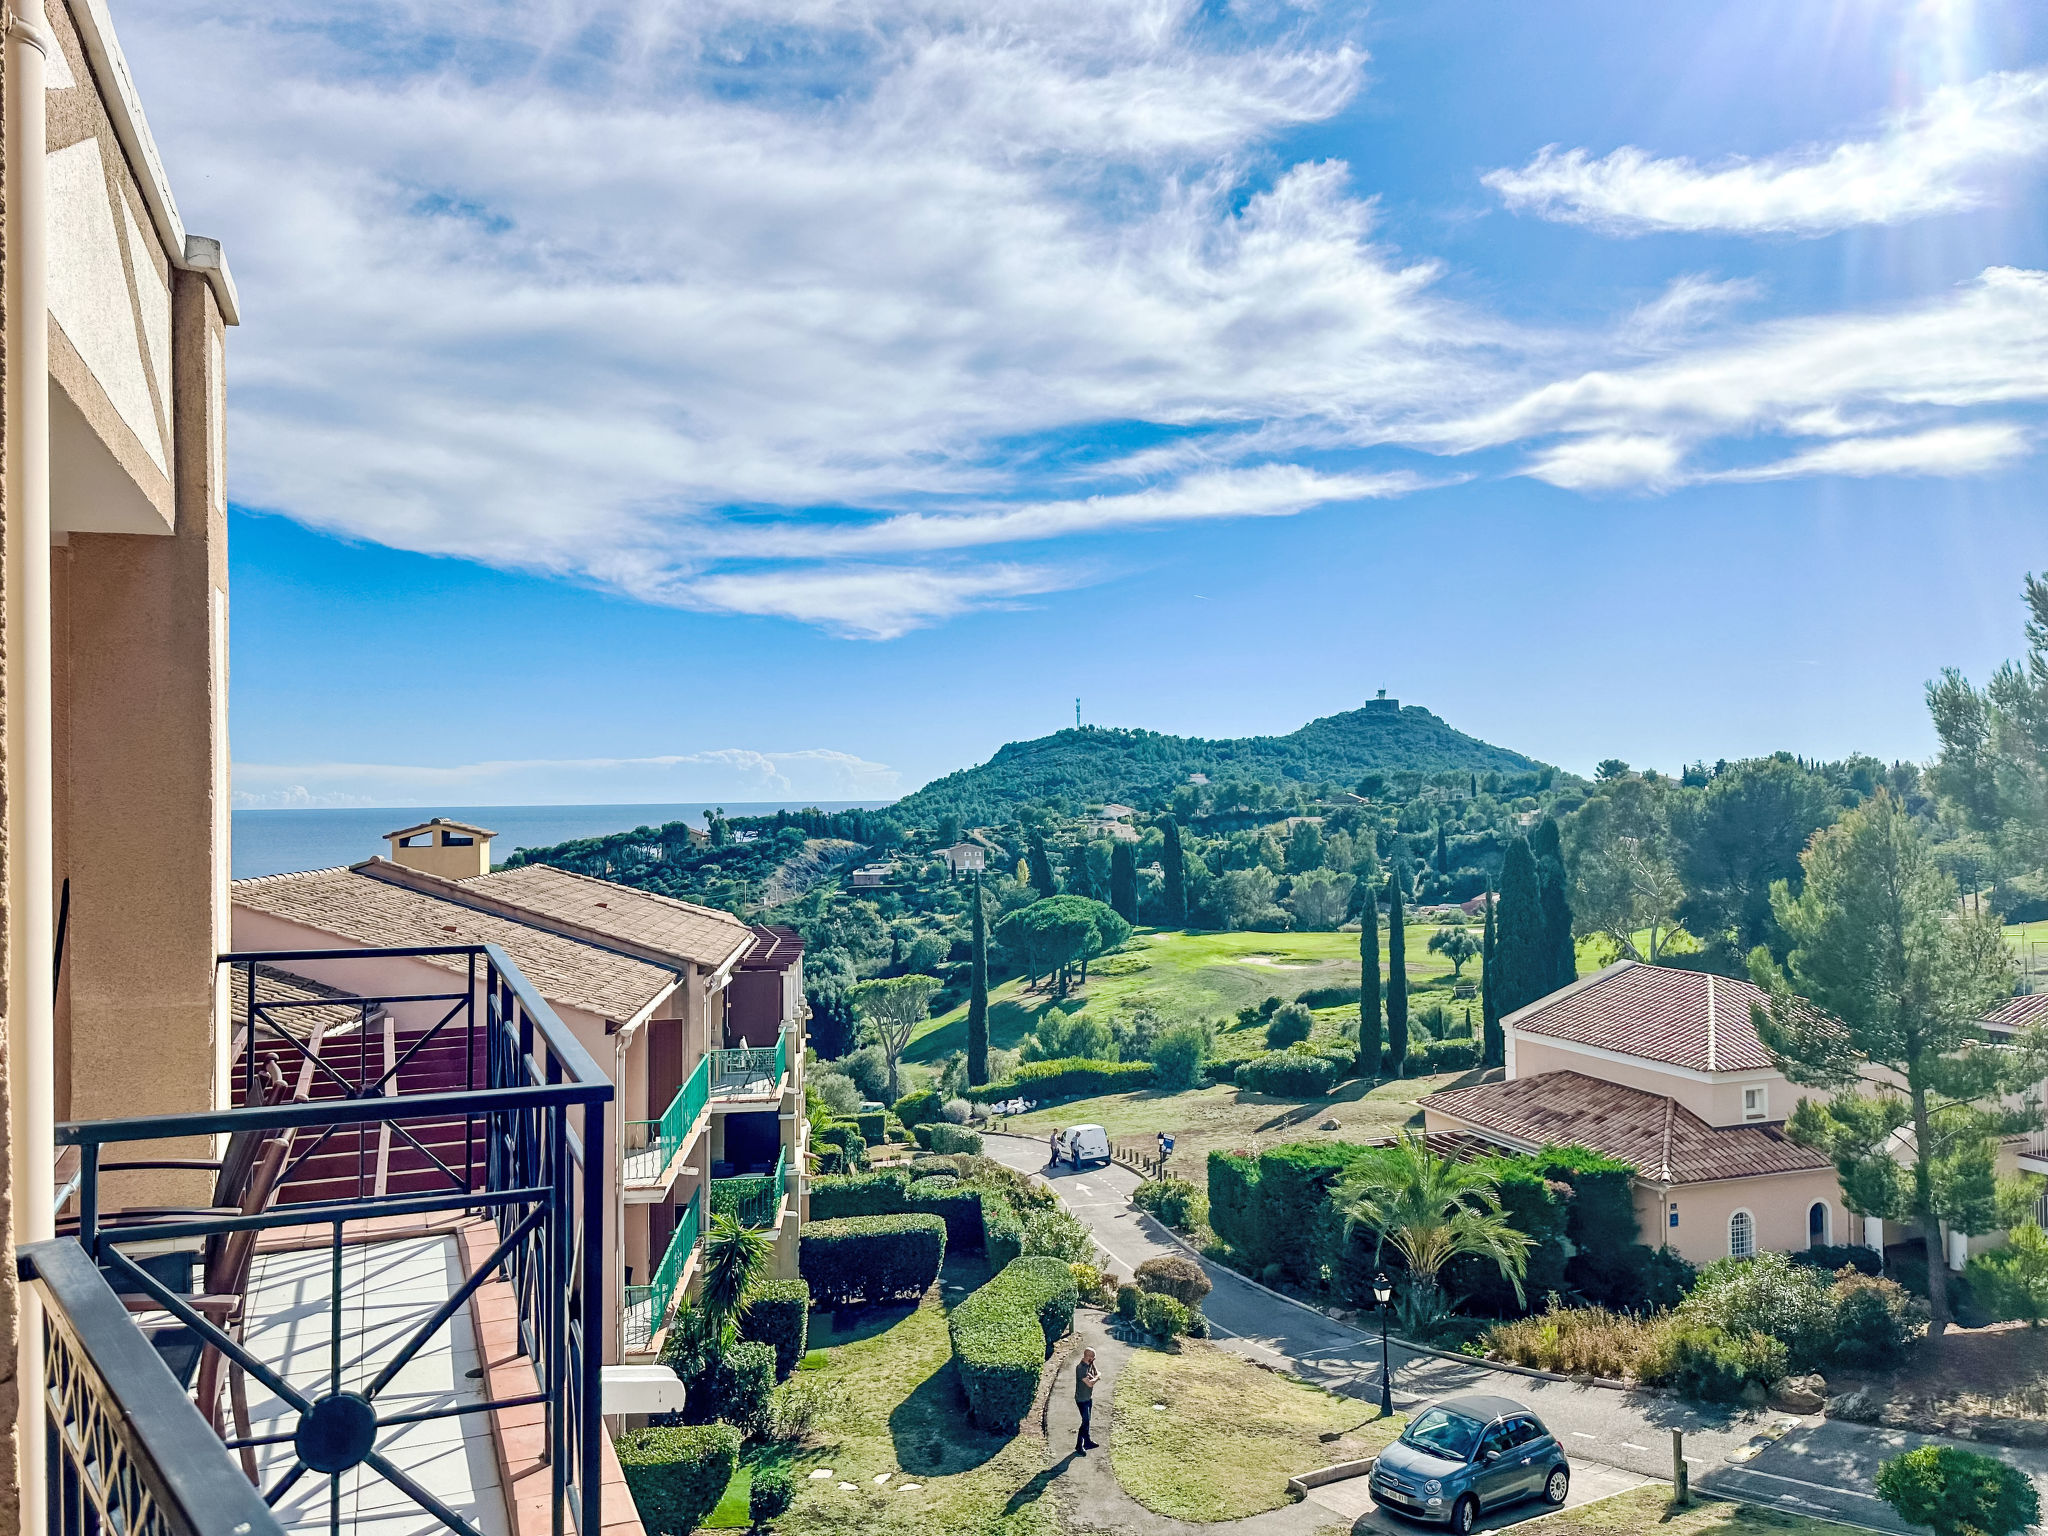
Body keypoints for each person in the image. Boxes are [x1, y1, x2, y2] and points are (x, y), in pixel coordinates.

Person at [1074, 1347, 1100, 1454]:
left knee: (1087, 1421)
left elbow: (1095, 1372)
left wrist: (1092, 1364)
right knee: (1085, 1422)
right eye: (1093, 1357)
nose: (1094, 1358)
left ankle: (1087, 1441)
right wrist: (1097, 1377)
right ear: (1088, 1357)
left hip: (1088, 1398)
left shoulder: (1088, 1364)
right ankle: (1079, 1446)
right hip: (1082, 1399)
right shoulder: (1081, 1368)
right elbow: (1090, 1383)